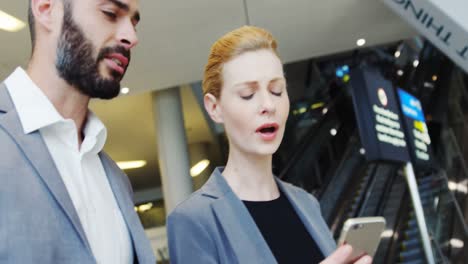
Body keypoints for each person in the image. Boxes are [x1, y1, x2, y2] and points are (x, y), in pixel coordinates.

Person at [167, 26, 372, 264]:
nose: (268, 105)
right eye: (247, 94)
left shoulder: (307, 203)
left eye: (277, 91)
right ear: (215, 108)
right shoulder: (193, 220)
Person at [0, 0, 155, 263]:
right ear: (46, 8)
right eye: (110, 13)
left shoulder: (116, 178)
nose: (131, 37)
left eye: (133, 22)